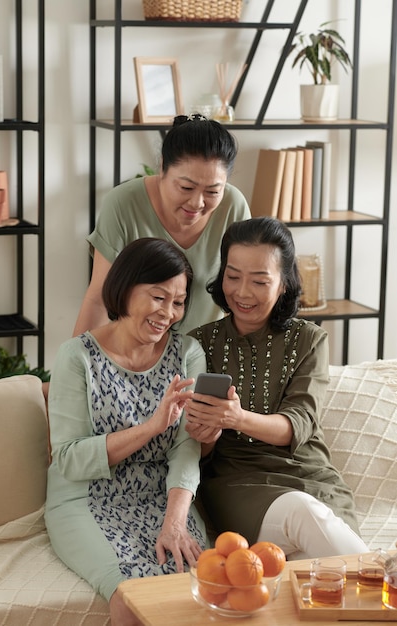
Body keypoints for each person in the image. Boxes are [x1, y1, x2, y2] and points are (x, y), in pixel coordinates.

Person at [45, 238, 208, 626]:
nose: (168, 313)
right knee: (135, 599)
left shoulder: (188, 354)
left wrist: (176, 522)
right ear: (125, 288)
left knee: (200, 588)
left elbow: (187, 449)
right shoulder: (76, 357)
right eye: (158, 297)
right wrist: (152, 427)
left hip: (163, 497)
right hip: (87, 498)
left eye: (178, 302)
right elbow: (69, 458)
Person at [185, 217, 368, 560]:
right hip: (238, 483)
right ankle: (382, 585)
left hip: (312, 477)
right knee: (303, 514)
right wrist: (207, 433)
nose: (242, 292)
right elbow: (196, 450)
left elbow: (298, 422)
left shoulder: (310, 340)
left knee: (311, 573)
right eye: (233, 276)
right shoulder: (200, 344)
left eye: (259, 281)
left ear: (284, 283)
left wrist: (236, 417)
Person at [73, 114, 251, 337]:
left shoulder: (233, 206)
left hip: (204, 357)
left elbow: (243, 296)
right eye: (186, 187)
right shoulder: (122, 204)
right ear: (162, 167)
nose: (197, 203)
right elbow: (99, 299)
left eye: (213, 191)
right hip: (135, 355)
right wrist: (76, 364)